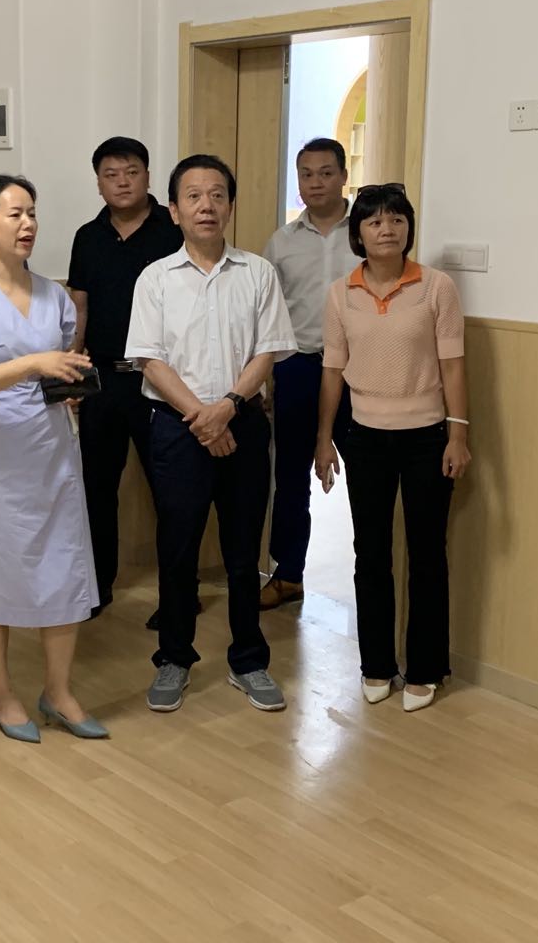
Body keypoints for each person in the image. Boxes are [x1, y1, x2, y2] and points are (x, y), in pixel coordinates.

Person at [0, 174, 108, 743]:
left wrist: (68, 384)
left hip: (52, 449)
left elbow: (59, 364)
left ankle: (58, 691)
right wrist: (34, 365)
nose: (28, 223)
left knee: (62, 564)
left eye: (32, 212)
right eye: (14, 214)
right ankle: (3, 693)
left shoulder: (55, 296)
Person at [125, 154, 297, 713]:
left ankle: (248, 661)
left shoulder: (258, 273)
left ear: (230, 206)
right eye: (194, 196)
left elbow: (268, 350)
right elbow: (150, 361)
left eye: (217, 195)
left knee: (244, 553)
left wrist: (226, 408)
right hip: (178, 428)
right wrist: (203, 417)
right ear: (174, 210)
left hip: (241, 421)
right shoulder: (155, 278)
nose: (207, 205)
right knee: (178, 550)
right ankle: (174, 658)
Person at [313, 184, 470, 712]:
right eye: (375, 221)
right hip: (364, 438)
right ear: (358, 233)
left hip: (428, 437)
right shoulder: (340, 294)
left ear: (409, 228)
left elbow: (453, 366)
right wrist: (324, 440)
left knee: (427, 554)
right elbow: (332, 371)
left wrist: (458, 434)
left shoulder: (437, 287)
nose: (388, 229)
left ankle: (426, 668)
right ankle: (376, 664)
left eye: (397, 219)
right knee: (371, 553)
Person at [66, 136, 181, 618]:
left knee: (170, 489)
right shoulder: (87, 236)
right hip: (102, 379)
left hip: (159, 380)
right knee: (96, 487)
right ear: (98, 183)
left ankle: (178, 595)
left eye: (131, 172)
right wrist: (72, 368)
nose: (122, 182)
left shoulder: (172, 229)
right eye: (110, 175)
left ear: (148, 176)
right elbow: (79, 307)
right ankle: (98, 585)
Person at [261, 137, 360, 611]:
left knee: (368, 475)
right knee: (290, 474)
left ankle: (370, 578)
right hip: (298, 365)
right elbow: (267, 314)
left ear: (343, 177)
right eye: (306, 174)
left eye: (325, 172)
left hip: (360, 369)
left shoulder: (366, 233)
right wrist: (267, 375)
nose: (315, 182)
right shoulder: (280, 243)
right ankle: (288, 574)